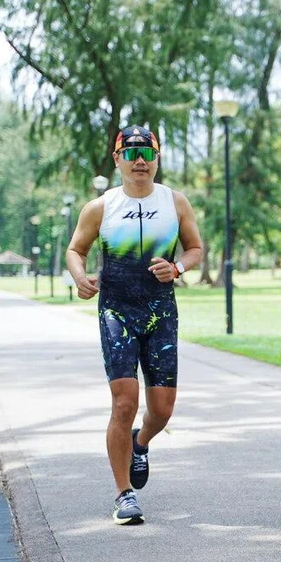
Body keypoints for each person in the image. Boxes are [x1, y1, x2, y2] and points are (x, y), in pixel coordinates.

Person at [66, 125, 202, 526]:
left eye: (148, 152)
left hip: (161, 313)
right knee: (124, 402)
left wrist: (177, 266)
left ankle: (140, 443)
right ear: (117, 159)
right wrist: (81, 277)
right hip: (117, 312)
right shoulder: (100, 207)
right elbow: (76, 250)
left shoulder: (175, 203)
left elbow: (195, 249)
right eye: (131, 152)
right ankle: (124, 494)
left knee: (162, 410)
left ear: (157, 159)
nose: (140, 159)